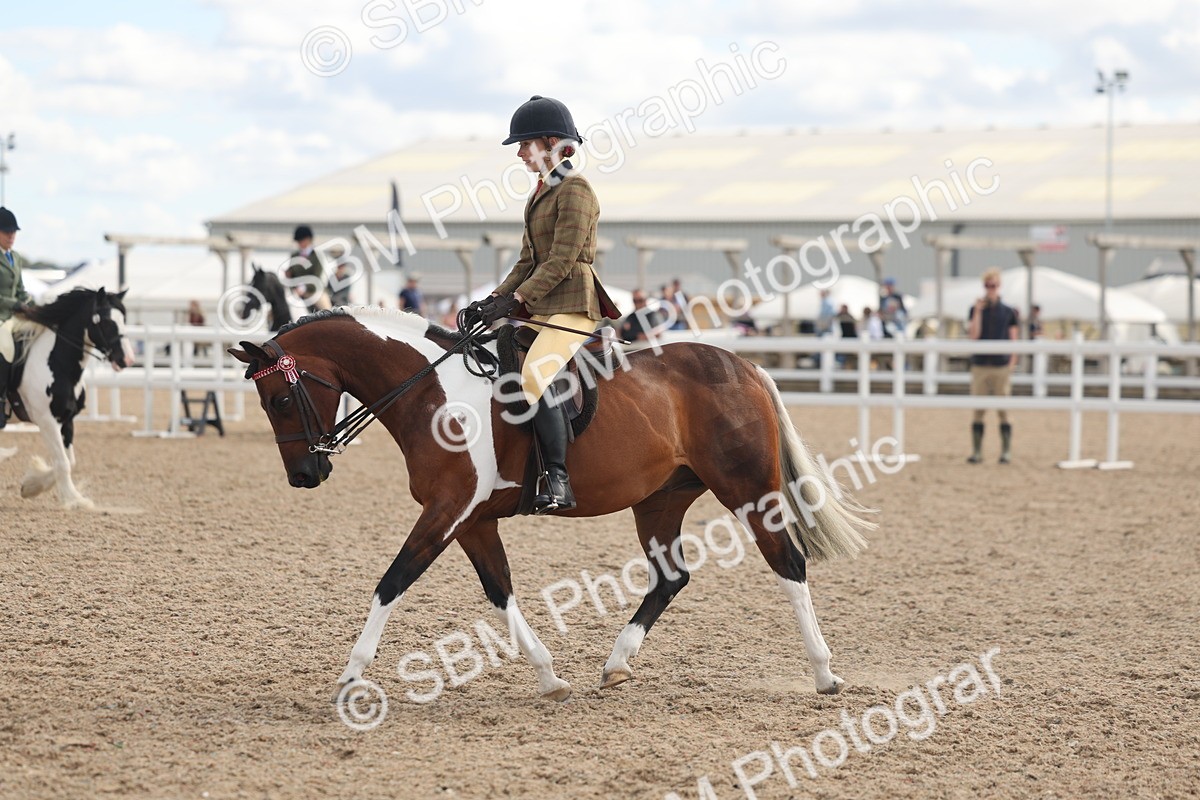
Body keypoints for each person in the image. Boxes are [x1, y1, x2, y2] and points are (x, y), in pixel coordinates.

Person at [465, 95, 620, 514]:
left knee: (534, 375)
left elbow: (562, 259)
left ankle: (557, 478)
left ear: (551, 142)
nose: (518, 152)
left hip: (573, 302)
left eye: (524, 144)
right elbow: (527, 261)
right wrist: (493, 300)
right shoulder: (540, 193)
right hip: (541, 303)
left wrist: (518, 298)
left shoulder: (577, 191)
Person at [967, 268, 1019, 464]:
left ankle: (1006, 451)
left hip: (1000, 365)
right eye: (988, 285)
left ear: (999, 286)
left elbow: (1014, 338)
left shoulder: (1008, 312)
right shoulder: (975, 310)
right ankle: (977, 451)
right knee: (978, 408)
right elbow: (974, 335)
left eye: (994, 285)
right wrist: (978, 311)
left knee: (1003, 408)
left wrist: (1012, 361)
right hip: (981, 364)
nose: (991, 289)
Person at [0, 207, 34, 428]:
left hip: (14, 315)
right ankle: (1, 399)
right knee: (5, 347)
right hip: (1, 315)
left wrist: (31, 305)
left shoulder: (16, 257)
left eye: (13, 232)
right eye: (6, 231)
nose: (11, 236)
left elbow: (20, 289)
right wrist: (17, 304)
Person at [285, 224, 331, 310]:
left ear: (308, 239)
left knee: (327, 309)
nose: (299, 243)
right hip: (297, 292)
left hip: (314, 291)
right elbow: (292, 274)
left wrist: (304, 287)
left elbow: (316, 276)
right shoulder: (294, 255)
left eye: (301, 240)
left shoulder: (317, 255)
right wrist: (288, 276)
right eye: (298, 241)